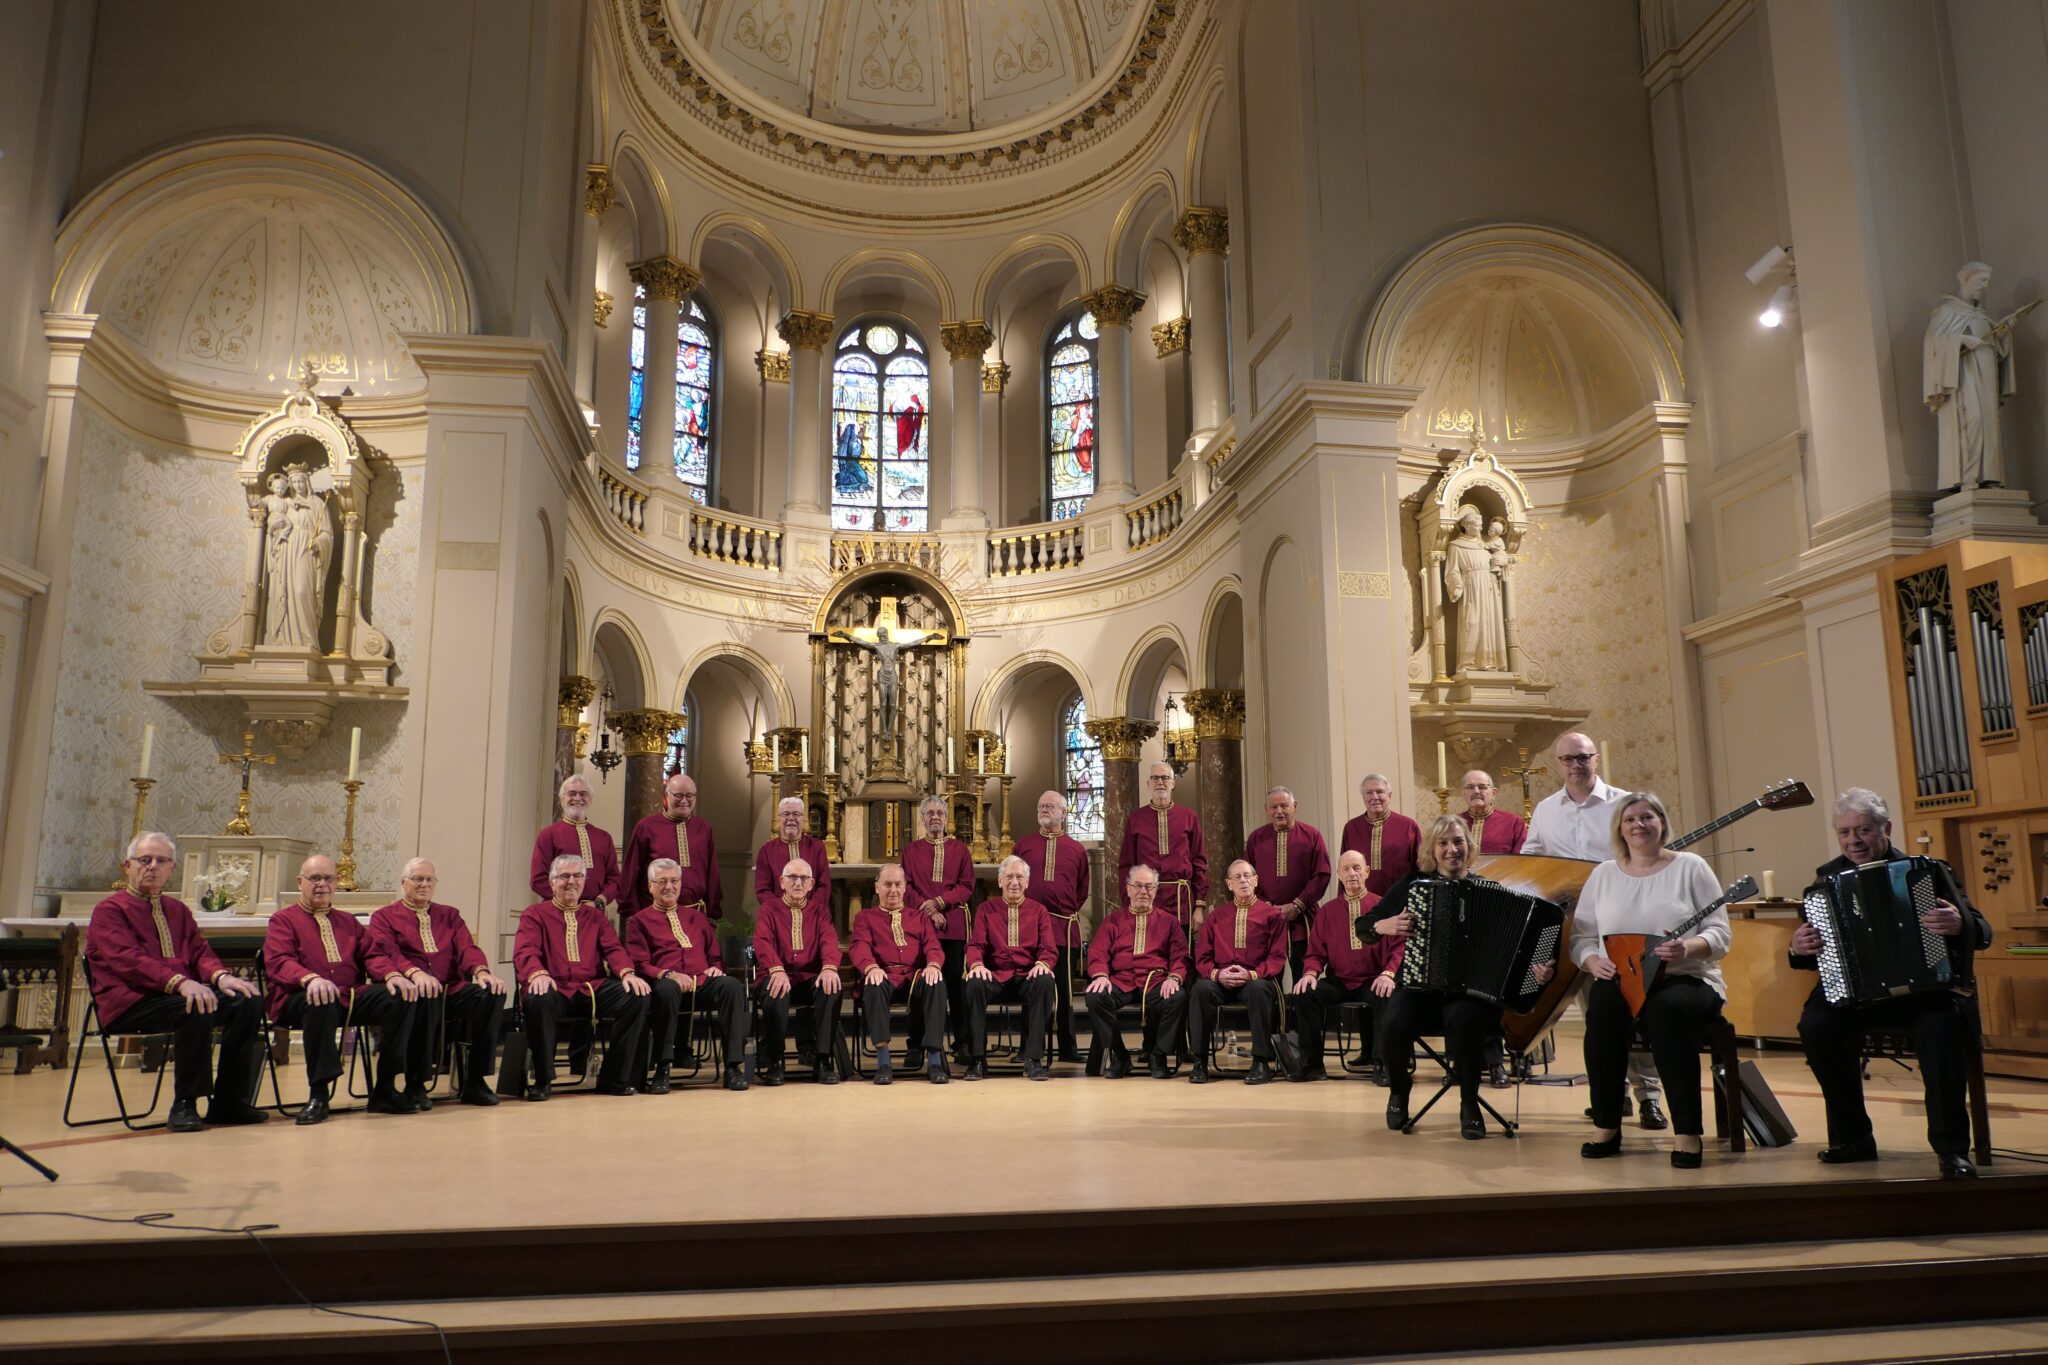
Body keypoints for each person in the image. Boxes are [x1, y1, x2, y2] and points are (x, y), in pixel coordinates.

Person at [1793, 788, 1989, 1179]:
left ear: (1886, 828)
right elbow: (1809, 953)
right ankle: (1854, 1137)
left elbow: (1982, 930)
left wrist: (1958, 924)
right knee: (1816, 1026)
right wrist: (1799, 947)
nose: (1854, 840)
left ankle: (1951, 1149)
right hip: (1858, 994)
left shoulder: (1927, 871)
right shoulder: (1826, 878)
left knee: (1942, 1025)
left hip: (1925, 991)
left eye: (1863, 830)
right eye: (1845, 832)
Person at [1370, 815, 1554, 1140]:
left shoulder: (1493, 891)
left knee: (1466, 1020)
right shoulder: (1413, 885)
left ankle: (1470, 1104)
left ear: (1468, 847)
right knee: (1393, 1025)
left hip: (1471, 994)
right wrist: (1381, 926)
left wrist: (1538, 972)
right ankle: (1399, 1091)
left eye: (1458, 842)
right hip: (1419, 987)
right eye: (1443, 843)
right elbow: (1365, 924)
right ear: (1433, 849)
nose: (1451, 849)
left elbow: (1521, 953)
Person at [1573, 792, 1730, 1169]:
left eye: (1647, 817)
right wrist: (1593, 961)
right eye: (1630, 820)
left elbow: (1721, 934)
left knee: (1667, 1011)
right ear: (1620, 829)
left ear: (1662, 823)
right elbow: (1581, 938)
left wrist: (1688, 948)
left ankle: (1687, 1133)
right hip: (1624, 980)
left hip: (1688, 979)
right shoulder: (1604, 874)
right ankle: (1607, 1125)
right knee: (1602, 1010)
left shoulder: (1690, 866)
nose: (1639, 825)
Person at [1521, 732, 1665, 1128]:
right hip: (1577, 926)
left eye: (1582, 757)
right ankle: (1611, 1093)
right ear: (1559, 764)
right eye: (1568, 759)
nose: (1575, 765)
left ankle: (1649, 1095)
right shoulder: (1548, 810)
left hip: (1624, 921)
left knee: (1635, 1009)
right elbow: (1533, 857)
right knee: (1596, 1012)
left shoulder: (1624, 803)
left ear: (1596, 759)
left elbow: (1646, 852)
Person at [85, 832, 267, 1132]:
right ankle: (185, 1103)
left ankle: (228, 1101)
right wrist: (181, 982)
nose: (153, 866)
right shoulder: (110, 911)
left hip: (175, 996)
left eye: (161, 860)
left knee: (247, 1001)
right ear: (127, 865)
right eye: (145, 860)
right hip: (129, 1001)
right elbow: (127, 960)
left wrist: (220, 976)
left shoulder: (177, 910)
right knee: (193, 1005)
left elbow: (198, 952)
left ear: (172, 868)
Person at [264, 854, 420, 1125]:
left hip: (348, 996)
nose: (321, 884)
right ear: (300, 882)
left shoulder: (348, 923)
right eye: (314, 878)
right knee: (320, 999)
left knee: (400, 996)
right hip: (298, 998)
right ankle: (319, 1094)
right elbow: (279, 961)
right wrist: (310, 979)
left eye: (327, 878)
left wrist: (393, 975)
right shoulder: (283, 920)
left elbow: (372, 955)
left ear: (336, 883)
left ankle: (385, 1087)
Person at [367, 858, 507, 1109]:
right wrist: (414, 973)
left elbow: (467, 947)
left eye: (429, 880)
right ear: (403, 883)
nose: (424, 884)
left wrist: (481, 972)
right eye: (418, 879)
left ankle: (475, 1081)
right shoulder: (384, 917)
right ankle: (416, 1084)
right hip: (414, 989)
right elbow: (388, 953)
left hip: (452, 989)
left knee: (491, 994)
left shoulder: (449, 915)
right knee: (426, 991)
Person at [513, 853, 652, 1100]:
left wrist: (627, 973)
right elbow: (526, 950)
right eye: (564, 876)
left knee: (636, 996)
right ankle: (543, 1079)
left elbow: (613, 949)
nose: (571, 881)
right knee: (538, 997)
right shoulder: (534, 913)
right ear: (552, 881)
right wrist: (537, 974)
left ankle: (614, 1077)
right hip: (554, 986)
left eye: (578, 876)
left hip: (591, 988)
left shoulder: (595, 917)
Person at [624, 857, 749, 1093]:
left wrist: (715, 968)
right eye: (662, 881)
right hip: (665, 986)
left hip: (701, 982)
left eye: (674, 881)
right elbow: (639, 964)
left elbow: (714, 956)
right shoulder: (639, 921)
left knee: (731, 986)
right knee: (668, 989)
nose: (669, 886)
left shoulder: (697, 917)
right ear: (650, 886)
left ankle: (733, 1067)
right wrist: (666, 974)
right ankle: (663, 1067)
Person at [1292, 850, 1402, 1084]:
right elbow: (1315, 952)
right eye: (1346, 869)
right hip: (1340, 980)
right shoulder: (1326, 911)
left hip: (1374, 978)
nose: (1352, 874)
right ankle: (1312, 1065)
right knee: (1305, 994)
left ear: (1367, 872)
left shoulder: (1383, 906)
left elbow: (1398, 948)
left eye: (1356, 868)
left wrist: (1388, 973)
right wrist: (1310, 973)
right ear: (1339, 876)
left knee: (1385, 994)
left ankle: (1382, 1065)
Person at [1187, 860, 1287, 1085]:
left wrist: (1252, 974)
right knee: (1200, 989)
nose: (1243, 880)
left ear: (1255, 880)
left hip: (1254, 978)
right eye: (1237, 877)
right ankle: (1200, 1062)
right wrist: (1217, 975)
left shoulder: (1273, 915)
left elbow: (1277, 957)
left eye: (1247, 876)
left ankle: (1260, 1062)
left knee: (1260, 990)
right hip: (1221, 979)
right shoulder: (1215, 917)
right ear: (1228, 884)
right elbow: (1202, 956)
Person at [1085, 867, 1190, 1079]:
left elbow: (1181, 955)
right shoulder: (1112, 921)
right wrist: (1101, 975)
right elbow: (1097, 951)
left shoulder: (1169, 921)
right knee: (1095, 997)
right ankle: (1120, 1056)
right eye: (1138, 886)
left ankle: (1158, 1055)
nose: (1144, 891)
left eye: (1149, 886)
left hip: (1155, 981)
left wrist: (1174, 977)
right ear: (1128, 889)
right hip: (1121, 980)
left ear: (1156, 890)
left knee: (1177, 997)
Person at [1010, 790, 1090, 1062]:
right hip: (1028, 929)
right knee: (1031, 987)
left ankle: (1069, 1049)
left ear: (1064, 813)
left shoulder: (1077, 849)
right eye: (1041, 805)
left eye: (1050, 806)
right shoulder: (1023, 845)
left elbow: (1081, 891)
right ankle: (1028, 1048)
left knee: (1065, 992)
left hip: (1063, 928)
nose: (1044, 810)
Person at [851, 864, 949, 1085]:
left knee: (936, 983)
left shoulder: (920, 917)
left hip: (914, 978)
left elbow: (932, 946)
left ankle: (934, 1061)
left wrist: (933, 965)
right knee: (873, 985)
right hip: (883, 975)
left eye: (898, 884)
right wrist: (870, 967)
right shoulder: (865, 918)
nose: (893, 890)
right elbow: (859, 946)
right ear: (877, 887)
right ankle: (883, 1062)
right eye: (887, 884)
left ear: (905, 887)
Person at [963, 855, 1058, 1081]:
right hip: (996, 977)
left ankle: (1033, 1059)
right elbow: (976, 944)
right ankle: (977, 1059)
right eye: (1009, 877)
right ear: (999, 881)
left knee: (1045, 980)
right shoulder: (986, 909)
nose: (1014, 882)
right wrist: (976, 965)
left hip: (1027, 977)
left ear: (1027, 882)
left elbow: (1049, 948)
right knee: (974, 983)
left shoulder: (1039, 911)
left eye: (1019, 877)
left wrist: (1042, 964)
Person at [754, 859, 844, 1086]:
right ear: (782, 882)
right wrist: (776, 969)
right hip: (775, 976)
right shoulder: (769, 910)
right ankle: (776, 1061)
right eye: (792, 878)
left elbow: (829, 941)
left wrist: (829, 967)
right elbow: (762, 942)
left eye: (803, 878)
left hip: (808, 979)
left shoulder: (820, 911)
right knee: (777, 991)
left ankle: (823, 1060)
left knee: (831, 988)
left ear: (812, 884)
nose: (798, 883)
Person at [904, 795, 975, 1060]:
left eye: (940, 813)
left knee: (956, 986)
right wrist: (929, 909)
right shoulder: (911, 850)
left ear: (947, 819)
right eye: (930, 813)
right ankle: (916, 1044)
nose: (935, 817)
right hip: (921, 927)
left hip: (953, 925)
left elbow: (967, 886)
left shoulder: (960, 849)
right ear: (922, 819)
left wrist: (941, 903)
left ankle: (963, 1043)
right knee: (921, 984)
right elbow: (906, 886)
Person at [1243, 787, 1331, 977]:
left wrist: (1297, 905)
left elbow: (1322, 875)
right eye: (1274, 807)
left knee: (1304, 978)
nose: (1279, 811)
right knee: (1268, 981)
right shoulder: (1256, 839)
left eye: (1284, 806)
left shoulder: (1312, 836)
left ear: (1295, 807)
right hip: (1265, 921)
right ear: (1266, 809)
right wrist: (1265, 906)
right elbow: (1247, 877)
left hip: (1303, 920)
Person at [1116, 761, 1208, 925]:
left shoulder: (1189, 817)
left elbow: (1199, 862)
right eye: (1155, 778)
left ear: (1173, 783)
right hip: (1147, 898)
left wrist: (1199, 905)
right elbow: (1126, 865)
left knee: (1181, 950)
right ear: (1148, 784)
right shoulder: (1136, 818)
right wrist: (1128, 901)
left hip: (1181, 900)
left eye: (1165, 778)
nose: (1160, 782)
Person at [621, 772, 722, 919]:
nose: (684, 801)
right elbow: (631, 872)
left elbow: (712, 873)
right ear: (666, 796)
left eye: (690, 795)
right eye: (678, 795)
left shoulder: (704, 828)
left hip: (695, 915)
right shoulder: (646, 827)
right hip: (654, 915)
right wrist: (632, 913)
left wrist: (712, 913)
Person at [530, 775, 620, 915]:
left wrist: (598, 902)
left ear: (590, 800)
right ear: (562, 799)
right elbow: (538, 879)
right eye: (571, 794)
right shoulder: (548, 835)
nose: (577, 798)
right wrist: (569, 901)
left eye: (583, 794)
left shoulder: (604, 837)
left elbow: (614, 879)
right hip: (557, 913)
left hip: (594, 913)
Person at [1341, 774, 1421, 899]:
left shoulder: (1409, 826)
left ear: (1389, 796)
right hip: (1362, 903)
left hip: (1400, 902)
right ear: (1363, 797)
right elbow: (1344, 868)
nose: (1374, 797)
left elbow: (1420, 868)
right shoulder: (1351, 828)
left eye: (1380, 792)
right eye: (1368, 793)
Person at [754, 796, 831, 921]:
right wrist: (781, 910)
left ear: (804, 819)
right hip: (777, 918)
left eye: (796, 814)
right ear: (778, 819)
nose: (791, 819)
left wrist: (809, 909)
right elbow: (763, 889)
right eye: (786, 814)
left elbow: (824, 885)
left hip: (812, 917)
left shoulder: (817, 847)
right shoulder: (767, 850)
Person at [1458, 770, 1527, 855]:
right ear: (1463, 794)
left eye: (1482, 787)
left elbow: (1521, 859)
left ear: (1493, 793)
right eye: (1470, 787)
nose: (1476, 791)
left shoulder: (1514, 822)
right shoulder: (1454, 823)